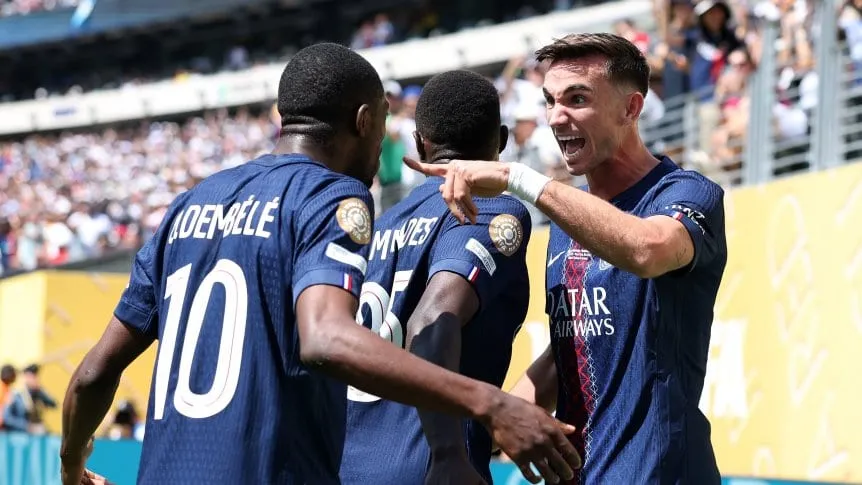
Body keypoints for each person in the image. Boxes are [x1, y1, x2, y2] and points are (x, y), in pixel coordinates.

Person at [60, 43, 580, 485]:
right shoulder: (331, 198)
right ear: (364, 120)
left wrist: (71, 466)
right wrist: (488, 406)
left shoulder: (187, 206)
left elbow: (92, 374)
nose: (384, 144)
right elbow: (329, 337)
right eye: (383, 124)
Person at [406, 33, 727, 484]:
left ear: (631, 108)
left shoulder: (688, 193)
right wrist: (482, 426)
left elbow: (647, 249)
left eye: (577, 99)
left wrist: (518, 178)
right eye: (550, 101)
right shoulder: (567, 217)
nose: (557, 117)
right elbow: (569, 354)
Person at [340, 70, 537, 485]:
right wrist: (447, 453)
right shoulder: (487, 210)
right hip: (429, 467)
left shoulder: (382, 225)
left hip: (347, 463)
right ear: (501, 140)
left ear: (420, 144)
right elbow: (429, 320)